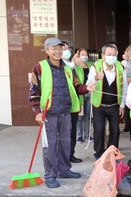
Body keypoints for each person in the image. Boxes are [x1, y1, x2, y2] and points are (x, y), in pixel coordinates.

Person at [29, 37, 89, 188]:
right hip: (48, 113)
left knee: (65, 142)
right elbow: (33, 91)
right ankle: (50, 175)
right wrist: (37, 111)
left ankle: (64, 169)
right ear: (47, 50)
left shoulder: (68, 68)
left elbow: (76, 87)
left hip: (66, 112)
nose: (57, 51)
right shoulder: (39, 67)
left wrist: (87, 88)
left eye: (59, 48)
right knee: (50, 145)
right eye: (53, 48)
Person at [87, 43, 127, 160]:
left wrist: (122, 105)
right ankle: (99, 153)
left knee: (115, 131)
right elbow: (88, 85)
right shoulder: (95, 67)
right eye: (109, 54)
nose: (112, 57)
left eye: (114, 54)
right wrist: (95, 78)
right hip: (99, 105)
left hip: (115, 105)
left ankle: (112, 153)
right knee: (99, 130)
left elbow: (124, 87)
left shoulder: (120, 67)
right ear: (103, 55)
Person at [59, 42, 83, 163]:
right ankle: (63, 156)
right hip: (61, 105)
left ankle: (70, 154)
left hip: (73, 103)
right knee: (64, 132)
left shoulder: (71, 65)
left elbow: (76, 84)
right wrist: (73, 64)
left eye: (68, 49)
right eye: (63, 49)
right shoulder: (59, 65)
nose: (66, 51)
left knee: (72, 130)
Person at [75, 48, 92, 145]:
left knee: (88, 116)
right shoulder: (75, 67)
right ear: (78, 55)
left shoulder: (91, 65)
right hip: (80, 94)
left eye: (86, 54)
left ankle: (88, 135)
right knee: (80, 116)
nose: (84, 56)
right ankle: (79, 136)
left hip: (89, 93)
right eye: (82, 54)